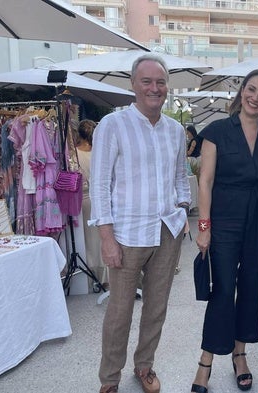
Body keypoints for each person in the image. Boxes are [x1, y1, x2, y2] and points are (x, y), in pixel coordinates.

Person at [89, 54, 191, 393]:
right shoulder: (112, 125)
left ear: (167, 88)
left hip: (166, 230)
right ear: (133, 85)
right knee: (119, 312)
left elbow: (181, 176)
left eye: (160, 82)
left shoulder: (176, 130)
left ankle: (145, 366)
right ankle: (110, 379)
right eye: (146, 81)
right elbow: (100, 184)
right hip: (127, 232)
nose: (154, 88)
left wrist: (181, 207)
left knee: (156, 306)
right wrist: (106, 237)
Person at [191, 69, 258, 393]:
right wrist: (204, 227)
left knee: (252, 289)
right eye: (251, 89)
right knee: (223, 291)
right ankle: (205, 363)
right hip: (225, 219)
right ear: (241, 91)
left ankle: (240, 355)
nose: (255, 97)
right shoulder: (217, 130)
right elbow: (206, 180)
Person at [75, 119, 106, 290]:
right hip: (100, 198)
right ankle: (104, 276)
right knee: (102, 238)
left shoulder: (75, 154)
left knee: (87, 240)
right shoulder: (100, 153)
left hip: (84, 198)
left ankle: (89, 277)